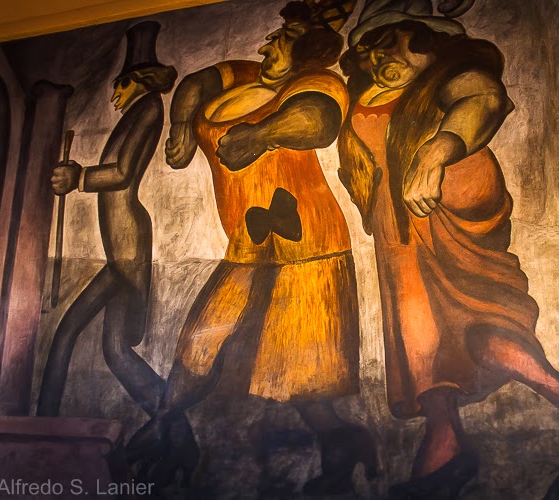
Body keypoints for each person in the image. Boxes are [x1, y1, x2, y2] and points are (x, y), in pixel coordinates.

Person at [338, 0, 559, 496]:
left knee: (478, 309)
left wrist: (437, 151)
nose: (384, 59)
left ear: (430, 40)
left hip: (448, 187)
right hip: (397, 219)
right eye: (374, 51)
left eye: (396, 43)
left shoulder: (451, 73)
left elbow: (483, 99)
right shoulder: (369, 92)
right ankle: (449, 434)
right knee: (419, 326)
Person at [126, 1, 374, 494]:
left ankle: (341, 451)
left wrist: (263, 133)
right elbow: (195, 83)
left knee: (302, 375)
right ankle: (167, 430)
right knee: (197, 343)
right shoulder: (244, 75)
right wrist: (181, 126)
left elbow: (318, 121)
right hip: (246, 244)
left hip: (310, 245)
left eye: (284, 37)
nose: (268, 43)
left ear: (308, 48)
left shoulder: (315, 82)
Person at [36, 21, 197, 482]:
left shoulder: (148, 108)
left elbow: (123, 173)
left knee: (68, 333)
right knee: (115, 351)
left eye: (120, 85)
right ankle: (182, 440)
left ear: (139, 81)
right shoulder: (137, 111)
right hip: (120, 249)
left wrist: (79, 178)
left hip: (126, 250)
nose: (114, 95)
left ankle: (43, 435)